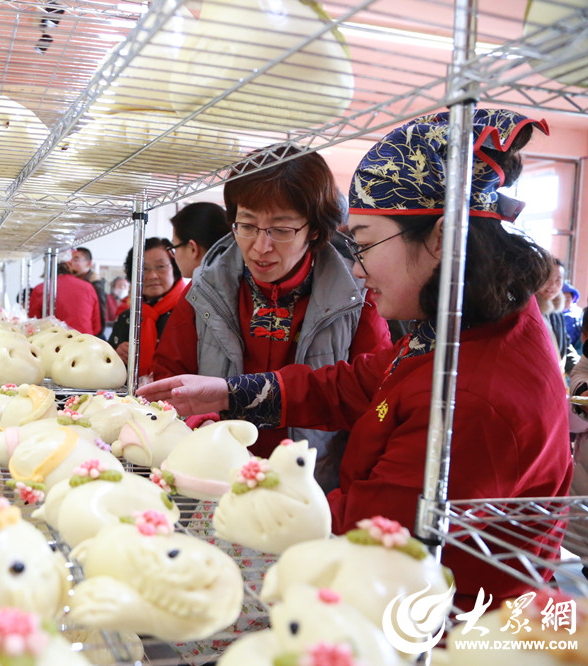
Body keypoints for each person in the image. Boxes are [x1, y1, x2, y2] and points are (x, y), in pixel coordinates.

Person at [139, 109, 573, 610]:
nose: (358, 268)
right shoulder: (463, 325)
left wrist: (238, 496)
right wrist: (232, 393)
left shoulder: (477, 395)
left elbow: (377, 524)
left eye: (364, 245)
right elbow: (363, 382)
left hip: (446, 622)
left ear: (439, 240)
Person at [151, 148, 392, 490]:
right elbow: (169, 379)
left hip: (309, 490)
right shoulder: (205, 292)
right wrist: (195, 421)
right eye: (247, 225)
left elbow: (374, 402)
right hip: (217, 482)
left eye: (280, 230)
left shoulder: (355, 300)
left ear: (313, 230)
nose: (260, 247)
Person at [108, 238, 187, 377]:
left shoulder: (189, 312)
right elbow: (106, 365)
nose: (152, 276)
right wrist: (116, 355)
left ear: (175, 268)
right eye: (143, 269)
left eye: (160, 266)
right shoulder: (127, 317)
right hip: (130, 398)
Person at [27, 261, 101, 335]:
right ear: (70, 268)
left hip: (53, 341)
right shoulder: (88, 287)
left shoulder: (41, 288)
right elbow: (96, 326)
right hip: (85, 340)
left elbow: (34, 323)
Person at [168, 201, 232, 279]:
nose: (174, 256)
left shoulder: (204, 289)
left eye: (174, 247)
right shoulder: (238, 281)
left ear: (192, 249)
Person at [69, 247, 107, 336]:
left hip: (89, 337)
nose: (71, 263)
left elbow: (100, 316)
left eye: (76, 259)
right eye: (70, 259)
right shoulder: (73, 283)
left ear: (88, 263)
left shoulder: (95, 285)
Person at [563, 281, 583, 356]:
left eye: (568, 299)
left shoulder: (579, 313)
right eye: (562, 298)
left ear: (573, 299)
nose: (565, 302)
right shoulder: (551, 315)